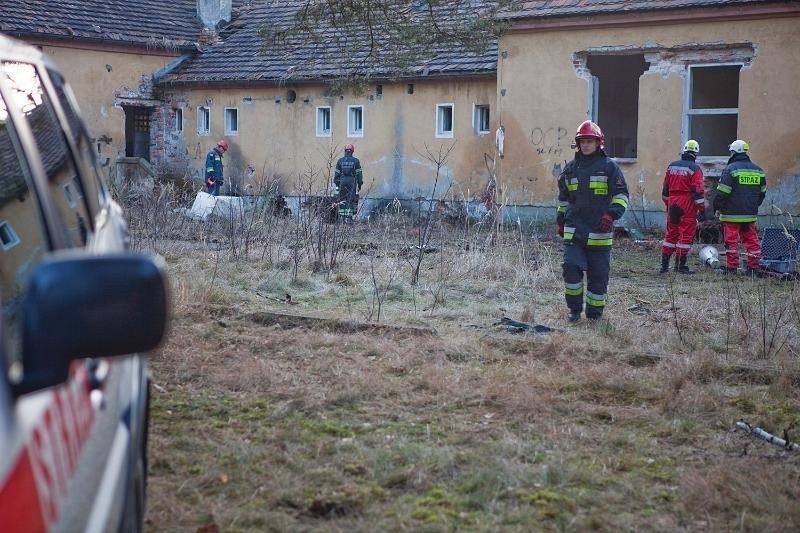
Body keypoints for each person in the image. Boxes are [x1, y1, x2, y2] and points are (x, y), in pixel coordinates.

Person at [556, 120, 629, 322]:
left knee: (598, 279)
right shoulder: (569, 170)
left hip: (599, 233)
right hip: (574, 231)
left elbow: (621, 194)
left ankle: (594, 316)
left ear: (598, 143)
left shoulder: (609, 168)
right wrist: (560, 220)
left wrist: (612, 214)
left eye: (590, 141)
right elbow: (564, 199)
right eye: (582, 141)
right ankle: (574, 311)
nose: (586, 145)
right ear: (578, 144)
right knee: (571, 267)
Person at [713, 139, 766, 274]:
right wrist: (753, 206)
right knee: (752, 242)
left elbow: (722, 192)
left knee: (731, 242)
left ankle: (732, 267)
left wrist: (717, 207)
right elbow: (762, 193)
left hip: (731, 215)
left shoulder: (730, 169)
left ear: (733, 152)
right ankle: (753, 267)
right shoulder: (759, 170)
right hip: (749, 215)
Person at [659, 139, 706, 273]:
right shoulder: (695, 169)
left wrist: (669, 205)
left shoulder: (672, 166)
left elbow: (665, 190)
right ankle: (680, 266)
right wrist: (702, 210)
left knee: (671, 234)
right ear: (696, 153)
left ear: (684, 150)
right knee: (685, 234)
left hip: (672, 200)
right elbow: (697, 191)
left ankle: (664, 266)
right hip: (687, 202)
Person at [333, 143, 363, 220]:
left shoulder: (340, 161)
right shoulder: (356, 161)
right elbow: (359, 174)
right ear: (352, 151)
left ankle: (342, 218)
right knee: (350, 199)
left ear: (345, 151)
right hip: (352, 181)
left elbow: (336, 175)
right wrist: (359, 184)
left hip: (342, 181)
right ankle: (349, 219)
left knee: (342, 199)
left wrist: (337, 184)